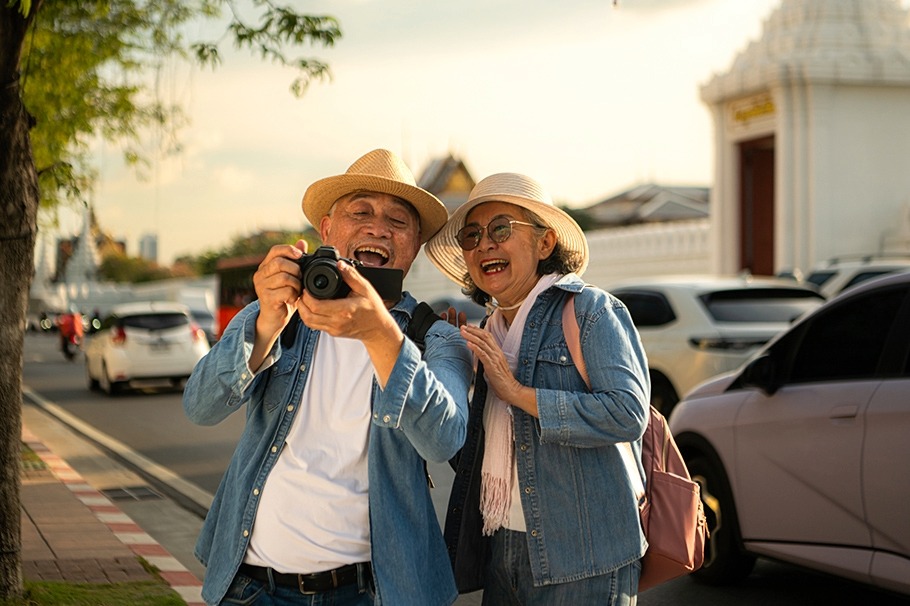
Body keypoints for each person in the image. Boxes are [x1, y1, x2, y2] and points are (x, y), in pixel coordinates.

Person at [183, 149, 473, 606]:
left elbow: (444, 440)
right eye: (360, 212)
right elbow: (198, 408)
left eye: (398, 221)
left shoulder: (436, 339)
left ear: (414, 245)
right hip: (252, 587)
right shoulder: (278, 311)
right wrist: (265, 326)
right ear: (327, 230)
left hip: (369, 592)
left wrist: (380, 335)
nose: (378, 227)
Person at [425, 172, 651, 605]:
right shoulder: (488, 331)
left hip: (583, 555)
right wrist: (454, 379)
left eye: (501, 229)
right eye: (472, 235)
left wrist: (515, 392)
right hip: (502, 548)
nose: (484, 244)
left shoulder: (589, 310)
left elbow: (627, 413)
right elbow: (470, 458)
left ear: (544, 244)